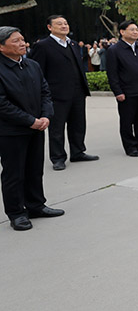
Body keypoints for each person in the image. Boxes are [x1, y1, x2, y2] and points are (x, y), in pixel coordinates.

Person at [0, 26, 65, 231]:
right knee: (14, 173)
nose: (23, 44)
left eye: (23, 39)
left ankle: (36, 205)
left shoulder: (32, 65)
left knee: (35, 169)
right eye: (16, 41)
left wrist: (45, 115)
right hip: (11, 131)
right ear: (1, 47)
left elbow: (45, 92)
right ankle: (16, 213)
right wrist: (30, 120)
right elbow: (2, 104)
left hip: (37, 126)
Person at [29, 15, 98, 171]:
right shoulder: (43, 46)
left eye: (66, 23)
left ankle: (78, 152)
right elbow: (38, 72)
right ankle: (58, 157)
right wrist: (42, 94)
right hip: (56, 94)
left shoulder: (73, 43)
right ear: (49, 27)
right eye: (59, 24)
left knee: (78, 125)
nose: (64, 26)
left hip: (77, 92)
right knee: (57, 128)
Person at [105, 21, 138, 157]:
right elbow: (112, 74)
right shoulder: (114, 50)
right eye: (132, 29)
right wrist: (118, 91)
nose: (135, 32)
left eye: (137, 30)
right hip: (126, 91)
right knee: (127, 120)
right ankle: (130, 147)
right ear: (122, 32)